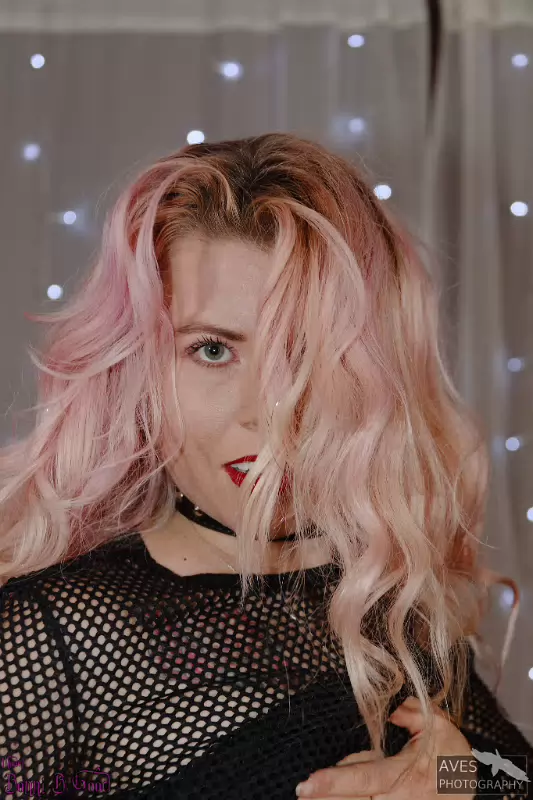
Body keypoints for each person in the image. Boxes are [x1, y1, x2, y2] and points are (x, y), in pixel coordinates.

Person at [0, 133, 531, 800]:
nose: (268, 413)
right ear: (139, 368)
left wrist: (462, 778)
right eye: (212, 350)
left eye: (307, 353)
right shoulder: (50, 638)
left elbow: (513, 777)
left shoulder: (388, 604)